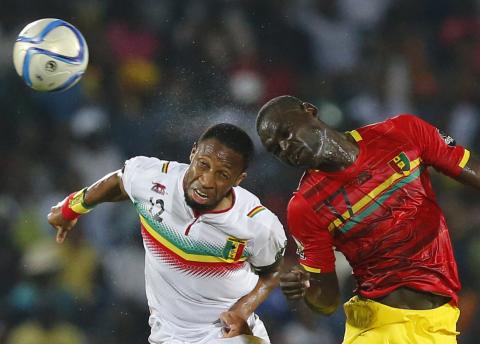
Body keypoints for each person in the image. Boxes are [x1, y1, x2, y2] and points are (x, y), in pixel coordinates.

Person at [255, 95, 480, 343]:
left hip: (440, 325)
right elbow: (327, 302)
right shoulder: (304, 206)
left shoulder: (403, 132)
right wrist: (307, 287)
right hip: (378, 329)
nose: (285, 148)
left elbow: (471, 170)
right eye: (275, 149)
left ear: (310, 110)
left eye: (285, 133)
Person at [48, 123, 286, 344]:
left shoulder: (258, 225)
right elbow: (120, 182)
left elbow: (272, 272)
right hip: (168, 336)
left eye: (222, 174)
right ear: (192, 153)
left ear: (239, 179)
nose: (206, 180)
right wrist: (72, 207)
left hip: (228, 335)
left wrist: (242, 310)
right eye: (203, 164)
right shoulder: (154, 178)